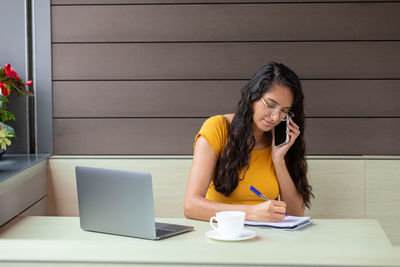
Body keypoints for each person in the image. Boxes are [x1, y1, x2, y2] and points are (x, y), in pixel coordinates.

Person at [184, 61, 313, 222]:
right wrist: (250, 213)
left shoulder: (280, 141)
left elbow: (295, 215)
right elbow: (191, 206)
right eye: (271, 105)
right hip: (223, 233)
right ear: (253, 96)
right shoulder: (217, 128)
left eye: (284, 112)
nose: (275, 117)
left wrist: (278, 159)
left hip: (268, 237)